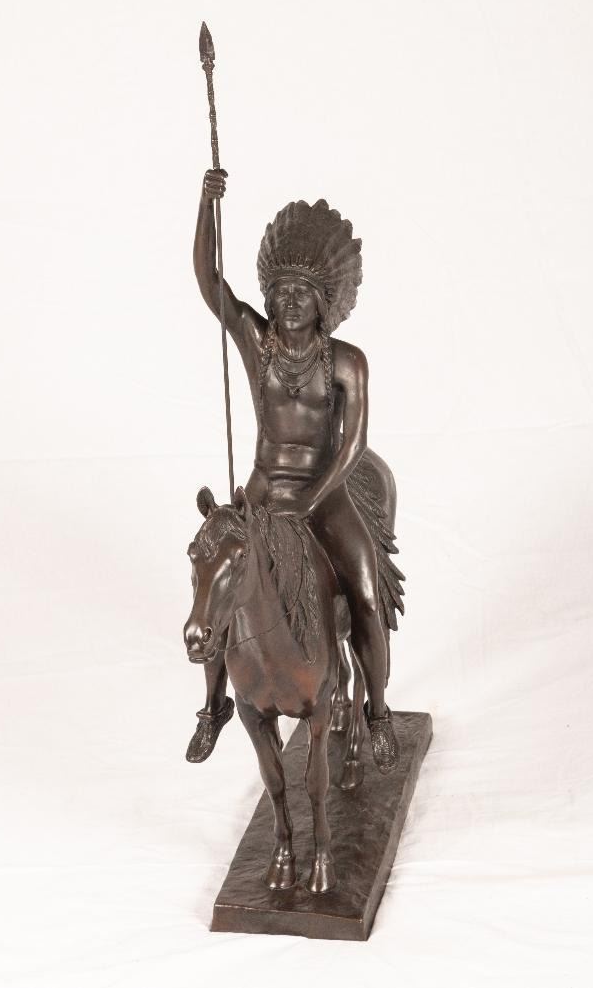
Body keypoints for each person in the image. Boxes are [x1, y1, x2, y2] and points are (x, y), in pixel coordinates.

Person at [187, 168, 400, 773]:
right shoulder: (257, 342)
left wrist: (313, 501)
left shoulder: (347, 362)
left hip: (324, 494)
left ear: (324, 302)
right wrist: (206, 205)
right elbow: (209, 282)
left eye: (303, 292)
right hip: (262, 490)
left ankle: (378, 711)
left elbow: (353, 446)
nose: (289, 301)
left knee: (365, 593)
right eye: (280, 291)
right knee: (220, 580)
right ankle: (214, 705)